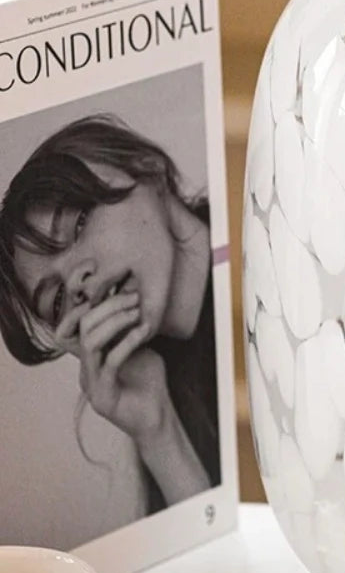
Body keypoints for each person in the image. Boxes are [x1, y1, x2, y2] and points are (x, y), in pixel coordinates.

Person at [0, 114, 219, 519]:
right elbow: (216, 564)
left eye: (78, 222)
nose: (79, 280)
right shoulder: (161, 394)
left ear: (146, 168)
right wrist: (157, 431)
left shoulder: (268, 234)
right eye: (59, 297)